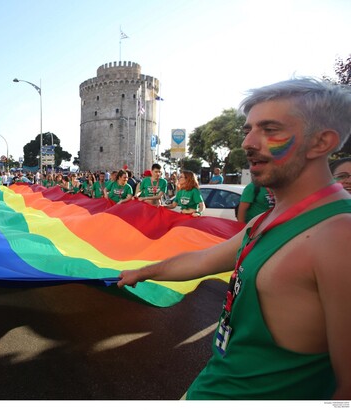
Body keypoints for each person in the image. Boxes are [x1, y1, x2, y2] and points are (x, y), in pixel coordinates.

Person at [118, 78, 351, 400]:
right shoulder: (263, 221)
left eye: (270, 130)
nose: (248, 143)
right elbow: (202, 260)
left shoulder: (339, 236)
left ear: (321, 142)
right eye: (248, 130)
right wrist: (142, 272)